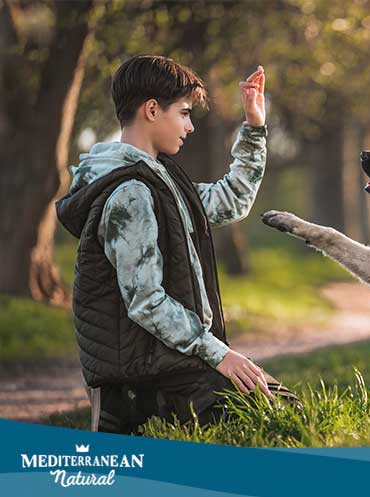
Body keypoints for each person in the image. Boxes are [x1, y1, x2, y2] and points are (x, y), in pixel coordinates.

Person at [56, 55, 296, 434]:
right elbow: (146, 300)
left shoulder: (160, 179)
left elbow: (229, 200)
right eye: (184, 113)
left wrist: (254, 125)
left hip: (170, 361)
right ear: (152, 110)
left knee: (282, 410)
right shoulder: (130, 193)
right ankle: (124, 420)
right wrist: (220, 355)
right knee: (276, 421)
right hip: (144, 375)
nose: (189, 127)